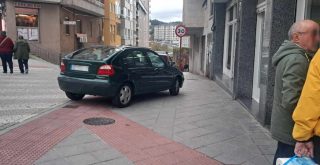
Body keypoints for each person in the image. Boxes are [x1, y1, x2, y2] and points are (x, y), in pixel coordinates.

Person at [270, 20, 320, 165]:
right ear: (297, 37)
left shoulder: (291, 55)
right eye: (314, 33)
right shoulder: (297, 59)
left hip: (287, 127)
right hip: (291, 129)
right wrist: (305, 134)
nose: (317, 38)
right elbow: (292, 99)